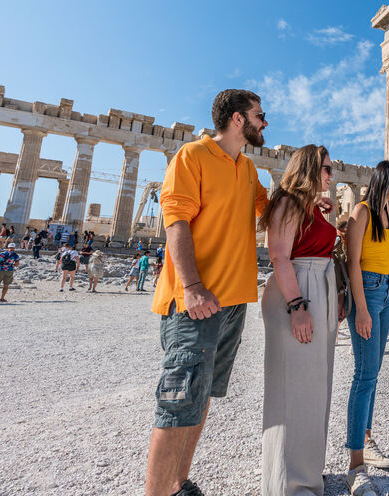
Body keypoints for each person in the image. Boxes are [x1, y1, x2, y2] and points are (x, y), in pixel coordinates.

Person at [145, 88, 269, 496]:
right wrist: (193, 287)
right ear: (238, 119)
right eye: (259, 115)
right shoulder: (192, 156)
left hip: (232, 301)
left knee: (200, 399)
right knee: (178, 402)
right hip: (195, 302)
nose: (264, 123)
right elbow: (176, 222)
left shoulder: (247, 169)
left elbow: (267, 212)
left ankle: (178, 484)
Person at [259, 144, 342, 496]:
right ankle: (287, 485)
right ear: (309, 169)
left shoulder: (309, 208)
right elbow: (279, 256)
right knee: (293, 389)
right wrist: (297, 306)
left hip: (317, 289)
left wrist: (329, 214)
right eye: (325, 169)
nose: (330, 175)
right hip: (300, 292)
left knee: (314, 387)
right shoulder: (287, 203)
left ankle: (307, 475)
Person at [342, 161, 389, 494]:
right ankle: (355, 466)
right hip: (365, 292)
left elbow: (386, 260)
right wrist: (361, 309)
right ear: (383, 180)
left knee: (373, 372)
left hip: (383, 291)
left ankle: (366, 440)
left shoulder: (386, 215)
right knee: (364, 374)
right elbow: (353, 261)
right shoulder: (362, 211)